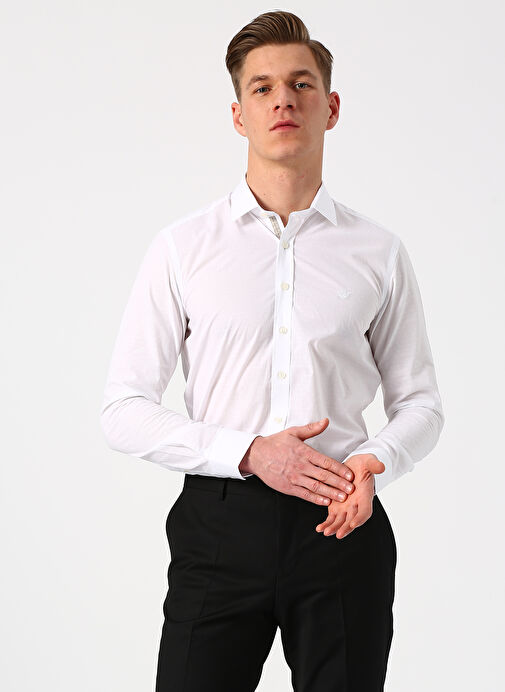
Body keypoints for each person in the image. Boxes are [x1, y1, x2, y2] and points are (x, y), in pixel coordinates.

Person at [100, 10, 444, 692]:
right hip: (218, 528)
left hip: (342, 524)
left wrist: (375, 460)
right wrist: (251, 452)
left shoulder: (377, 251)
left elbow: (421, 403)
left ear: (331, 107)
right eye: (261, 88)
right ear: (239, 115)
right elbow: (123, 408)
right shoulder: (183, 249)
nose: (282, 99)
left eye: (300, 83)